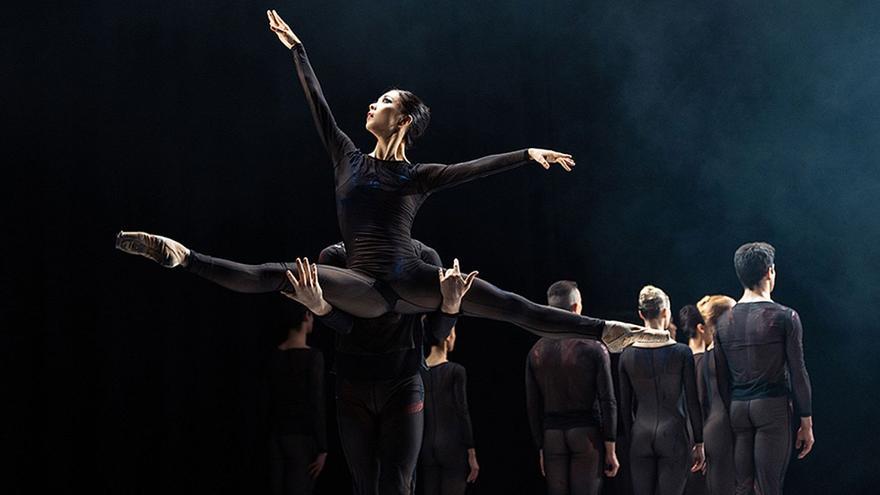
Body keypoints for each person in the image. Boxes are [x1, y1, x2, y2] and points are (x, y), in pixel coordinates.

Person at [114, 9, 671, 351]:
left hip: (412, 275)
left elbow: (472, 169)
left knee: (511, 306)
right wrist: (299, 51)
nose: (372, 105)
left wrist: (527, 153)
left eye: (383, 101)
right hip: (363, 288)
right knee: (280, 274)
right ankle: (181, 255)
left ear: (401, 119)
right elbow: (319, 107)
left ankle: (610, 332)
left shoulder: (417, 176)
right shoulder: (347, 157)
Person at [281, 241, 467, 495]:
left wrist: (451, 304)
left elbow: (437, 332)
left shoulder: (422, 255)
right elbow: (346, 326)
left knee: (398, 486)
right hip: (353, 384)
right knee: (365, 486)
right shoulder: (336, 255)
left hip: (401, 382)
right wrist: (320, 307)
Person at [713, 242, 814, 495]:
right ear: (770, 271)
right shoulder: (784, 316)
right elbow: (798, 371)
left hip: (737, 408)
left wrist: (730, 413)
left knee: (742, 488)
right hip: (771, 407)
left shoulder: (723, 321)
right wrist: (806, 422)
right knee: (769, 487)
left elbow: (720, 377)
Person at [525, 280, 620, 495]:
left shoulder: (536, 351)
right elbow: (608, 400)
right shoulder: (593, 347)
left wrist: (541, 447)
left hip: (552, 437)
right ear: (576, 307)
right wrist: (610, 446)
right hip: (585, 435)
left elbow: (533, 405)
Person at [619, 286, 705, 495]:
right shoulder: (682, 353)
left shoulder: (626, 355)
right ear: (666, 311)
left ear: (641, 314)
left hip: (640, 435)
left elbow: (624, 406)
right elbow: (693, 401)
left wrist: (633, 440)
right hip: (673, 434)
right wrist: (700, 443)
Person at [267, 302, 327, 495]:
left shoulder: (273, 356)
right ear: (306, 316)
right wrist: (323, 447)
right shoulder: (312, 358)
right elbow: (316, 403)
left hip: (275, 437)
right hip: (302, 439)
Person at [419, 325, 480, 495]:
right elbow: (462, 411)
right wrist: (471, 452)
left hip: (426, 448)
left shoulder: (418, 373)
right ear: (447, 337)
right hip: (452, 447)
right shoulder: (456, 371)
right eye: (453, 333)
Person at [694, 295, 736, 495]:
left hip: (711, 430)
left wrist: (699, 442)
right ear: (727, 318)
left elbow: (701, 401)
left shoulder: (702, 358)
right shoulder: (730, 354)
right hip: (731, 427)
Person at [677, 305, 708, 495]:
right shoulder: (706, 361)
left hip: (678, 435)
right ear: (700, 328)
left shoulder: (676, 358)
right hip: (701, 435)